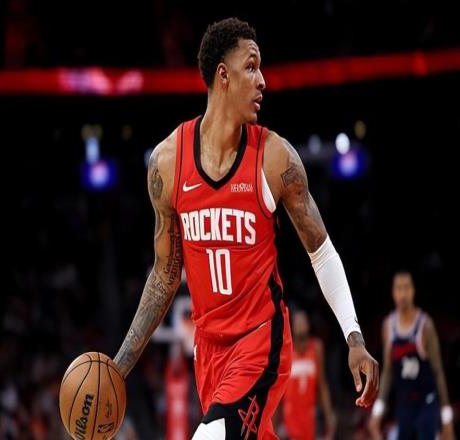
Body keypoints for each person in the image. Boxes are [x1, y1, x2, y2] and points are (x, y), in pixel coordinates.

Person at [113, 17, 379, 439]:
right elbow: (165, 275)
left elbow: (321, 251)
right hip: (209, 352)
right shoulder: (167, 163)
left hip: (262, 341)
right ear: (223, 75)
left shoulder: (274, 159)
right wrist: (119, 366)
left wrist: (354, 336)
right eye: (251, 67)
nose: (263, 81)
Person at [368, 271, 455, 440]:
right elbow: (387, 372)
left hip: (426, 402)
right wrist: (377, 411)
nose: (403, 294)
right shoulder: (388, 326)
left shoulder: (425, 324)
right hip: (404, 404)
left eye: (406, 288)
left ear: (413, 291)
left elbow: (438, 371)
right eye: (399, 288)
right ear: (393, 293)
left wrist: (447, 417)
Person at [281, 310, 336, 440]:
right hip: (290, 416)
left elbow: (322, 384)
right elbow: (278, 389)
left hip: (310, 415)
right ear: (292, 326)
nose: (301, 325)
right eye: (298, 322)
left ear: (308, 325)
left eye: (303, 321)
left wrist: (329, 415)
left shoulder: (316, 348)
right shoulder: (285, 350)